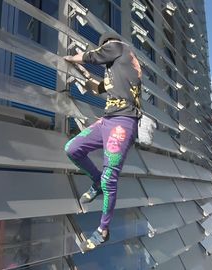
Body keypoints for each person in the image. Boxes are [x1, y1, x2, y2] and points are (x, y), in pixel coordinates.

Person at [63, 32, 142, 251]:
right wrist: (84, 75)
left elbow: (93, 55)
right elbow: (97, 88)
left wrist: (70, 59)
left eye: (104, 50)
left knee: (110, 179)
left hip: (123, 122)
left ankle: (103, 230)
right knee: (72, 148)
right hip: (108, 121)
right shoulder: (119, 69)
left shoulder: (118, 46)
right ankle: (96, 181)